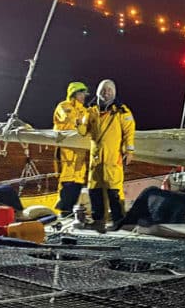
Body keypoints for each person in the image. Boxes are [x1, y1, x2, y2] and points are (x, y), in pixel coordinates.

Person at [78, 79, 134, 232]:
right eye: (103, 90)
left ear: (114, 93)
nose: (106, 92)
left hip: (112, 157)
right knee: (94, 190)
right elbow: (83, 132)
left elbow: (129, 132)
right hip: (95, 159)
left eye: (109, 90)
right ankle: (98, 221)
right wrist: (79, 123)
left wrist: (129, 151)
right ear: (98, 92)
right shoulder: (90, 111)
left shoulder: (122, 111)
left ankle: (118, 220)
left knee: (113, 191)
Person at [52, 81, 90, 219]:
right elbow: (69, 118)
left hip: (80, 155)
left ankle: (69, 213)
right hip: (66, 153)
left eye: (84, 94)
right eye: (81, 93)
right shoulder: (64, 107)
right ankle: (63, 213)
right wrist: (80, 121)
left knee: (78, 184)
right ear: (74, 94)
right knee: (66, 184)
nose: (83, 97)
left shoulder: (85, 110)